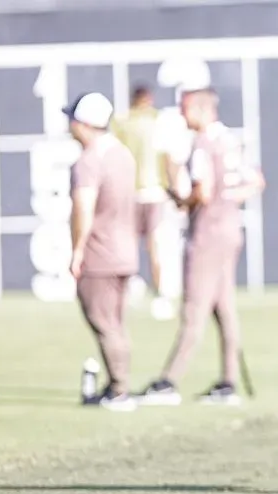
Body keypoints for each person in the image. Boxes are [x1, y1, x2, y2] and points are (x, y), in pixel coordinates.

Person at [136, 86, 264, 406]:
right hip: (230, 231)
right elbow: (256, 182)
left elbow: (202, 192)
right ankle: (228, 382)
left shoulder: (204, 144)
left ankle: (169, 381)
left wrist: (182, 200)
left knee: (194, 309)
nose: (182, 115)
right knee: (224, 309)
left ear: (203, 110)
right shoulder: (230, 141)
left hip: (207, 235)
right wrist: (228, 198)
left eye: (186, 109)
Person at [65, 92, 140, 412]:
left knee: (104, 323)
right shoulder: (122, 154)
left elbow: (83, 207)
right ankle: (115, 385)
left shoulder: (89, 160)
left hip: (100, 252)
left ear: (84, 123)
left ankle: (120, 390)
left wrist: (77, 249)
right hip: (124, 250)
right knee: (115, 323)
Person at [111, 85, 175, 320]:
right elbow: (167, 157)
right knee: (154, 244)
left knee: (128, 243)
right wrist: (172, 186)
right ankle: (160, 294)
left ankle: (129, 288)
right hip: (155, 191)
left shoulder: (122, 123)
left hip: (130, 191)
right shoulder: (158, 121)